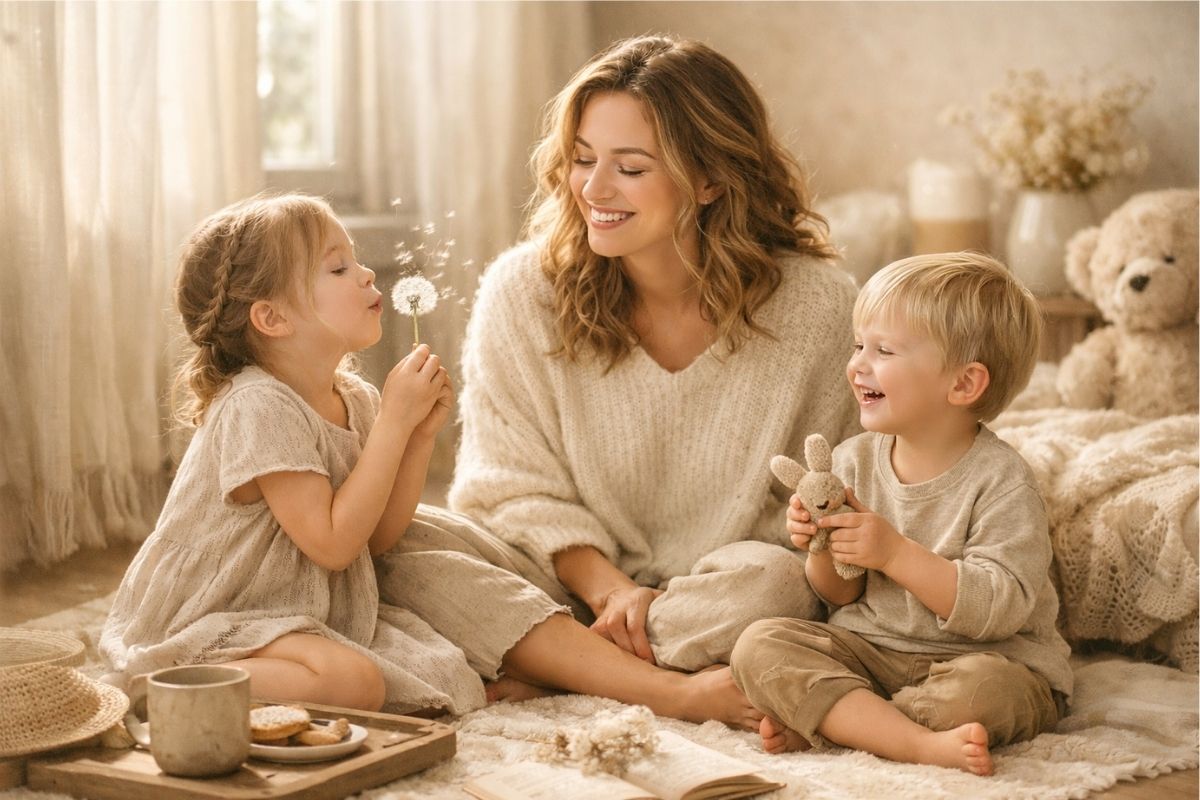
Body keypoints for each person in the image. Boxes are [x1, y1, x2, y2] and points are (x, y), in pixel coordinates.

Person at [102, 193, 757, 725]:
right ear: (271, 318)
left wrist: (413, 440)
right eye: (336, 269)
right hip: (221, 612)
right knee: (352, 679)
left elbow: (375, 539)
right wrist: (393, 425)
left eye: (355, 261)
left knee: (427, 649)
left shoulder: (351, 397)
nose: (364, 275)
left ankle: (565, 663)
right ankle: (166, 686)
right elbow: (330, 543)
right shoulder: (257, 406)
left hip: (292, 606)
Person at [445, 34, 860, 702]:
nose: (593, 188)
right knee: (412, 545)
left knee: (778, 585)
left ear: (710, 178)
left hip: (726, 590)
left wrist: (659, 605)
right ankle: (661, 683)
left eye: (630, 168)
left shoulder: (818, 307)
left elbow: (819, 507)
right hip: (563, 583)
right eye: (582, 159)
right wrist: (612, 591)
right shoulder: (522, 292)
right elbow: (507, 490)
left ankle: (560, 663)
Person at [728, 252, 1073, 775]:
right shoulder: (852, 460)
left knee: (985, 694)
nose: (857, 364)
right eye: (858, 344)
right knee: (759, 645)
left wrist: (893, 552)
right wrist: (820, 545)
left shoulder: (1003, 481)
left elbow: (998, 610)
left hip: (988, 660)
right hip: (872, 652)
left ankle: (857, 725)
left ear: (963, 385)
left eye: (883, 350)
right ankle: (896, 731)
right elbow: (839, 594)